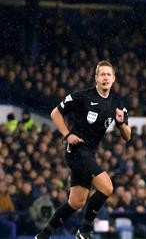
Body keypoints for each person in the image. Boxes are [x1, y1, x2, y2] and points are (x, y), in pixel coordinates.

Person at [35, 60, 131, 239]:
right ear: (96, 78)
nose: (105, 78)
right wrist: (66, 134)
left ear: (114, 79)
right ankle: (85, 231)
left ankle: (43, 236)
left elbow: (127, 136)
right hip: (76, 150)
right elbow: (55, 113)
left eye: (108, 75)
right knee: (107, 187)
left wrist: (121, 123)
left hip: (90, 153)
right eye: (102, 74)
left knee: (76, 202)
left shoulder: (117, 103)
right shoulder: (82, 96)